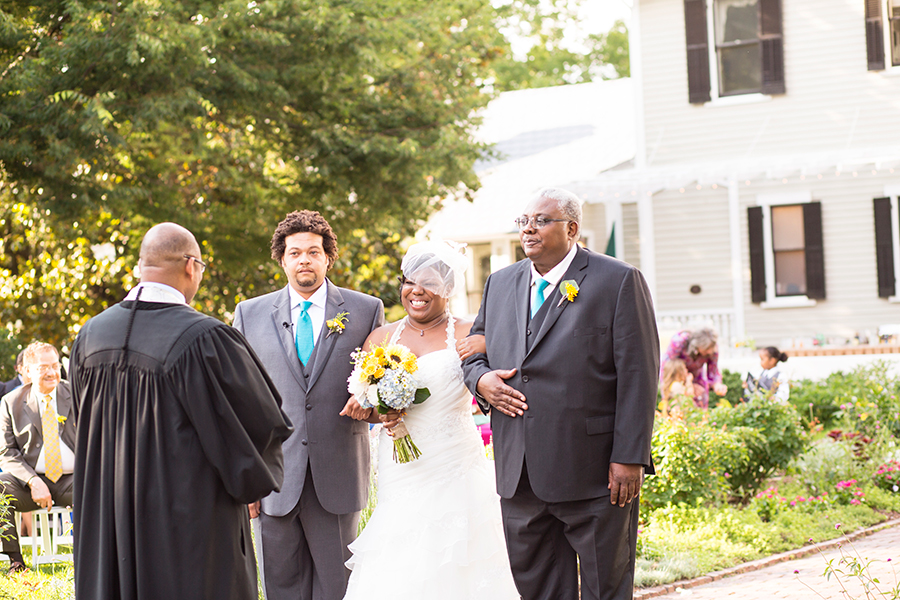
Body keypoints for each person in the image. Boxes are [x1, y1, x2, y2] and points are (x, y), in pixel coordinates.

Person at [69, 223, 293, 600]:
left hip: (108, 523)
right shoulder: (205, 340)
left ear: (142, 266)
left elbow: (80, 427)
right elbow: (256, 431)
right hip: (187, 530)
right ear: (191, 266)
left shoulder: (90, 336)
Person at [462, 188, 659, 600]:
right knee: (538, 590)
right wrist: (481, 381)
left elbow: (638, 375)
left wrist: (630, 457)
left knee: (606, 587)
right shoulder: (500, 283)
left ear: (571, 229)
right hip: (520, 474)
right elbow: (472, 350)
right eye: (524, 220)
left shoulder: (618, 280)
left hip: (594, 472)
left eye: (541, 220)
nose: (529, 228)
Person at [341, 240, 519, 600]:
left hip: (456, 462)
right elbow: (367, 405)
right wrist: (376, 409)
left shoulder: (472, 335)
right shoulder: (381, 337)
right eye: (409, 281)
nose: (417, 291)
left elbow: (495, 375)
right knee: (402, 558)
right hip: (401, 470)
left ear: (449, 290)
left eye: (431, 283)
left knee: (462, 556)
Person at [233, 210, 384, 600]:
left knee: (338, 588)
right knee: (280, 588)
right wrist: (245, 476)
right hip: (272, 480)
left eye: (314, 252)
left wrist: (371, 404)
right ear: (282, 259)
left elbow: (378, 386)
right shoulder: (248, 315)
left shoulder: (366, 310)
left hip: (337, 476)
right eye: (295, 252)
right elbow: (238, 401)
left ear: (328, 258)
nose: (304, 260)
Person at [0, 341, 75, 573]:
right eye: (44, 367)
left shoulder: (77, 394)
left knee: (103, 487)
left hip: (74, 479)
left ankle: (92, 559)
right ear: (27, 371)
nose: (52, 372)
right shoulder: (10, 403)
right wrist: (33, 481)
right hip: (30, 483)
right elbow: (6, 452)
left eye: (55, 366)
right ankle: (15, 561)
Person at [661, 328, 727, 409]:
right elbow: (670, 367)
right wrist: (688, 385)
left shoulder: (713, 350)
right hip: (676, 375)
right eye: (707, 349)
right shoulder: (679, 341)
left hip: (696, 375)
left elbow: (713, 372)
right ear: (697, 345)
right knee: (676, 403)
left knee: (701, 395)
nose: (710, 352)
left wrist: (717, 386)